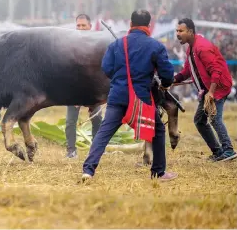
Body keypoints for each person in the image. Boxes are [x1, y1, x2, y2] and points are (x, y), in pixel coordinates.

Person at [82, 10, 177, 182]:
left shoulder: (117, 45)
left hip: (117, 95)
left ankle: (88, 170)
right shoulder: (155, 46)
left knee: (103, 133)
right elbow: (167, 74)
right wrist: (164, 82)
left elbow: (106, 68)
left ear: (131, 24)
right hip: (141, 98)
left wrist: (120, 79)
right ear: (148, 26)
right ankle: (158, 172)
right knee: (158, 130)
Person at [173, 18, 236, 162]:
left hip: (218, 87)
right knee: (199, 120)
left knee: (214, 117)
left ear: (190, 31)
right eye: (177, 30)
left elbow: (216, 70)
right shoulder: (190, 48)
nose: (177, 34)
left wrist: (212, 93)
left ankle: (228, 150)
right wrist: (173, 80)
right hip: (207, 89)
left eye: (181, 31)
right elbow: (187, 71)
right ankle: (218, 151)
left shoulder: (202, 47)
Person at [65, 14, 102, 159]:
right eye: (78, 26)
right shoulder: (70, 45)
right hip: (74, 88)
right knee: (70, 121)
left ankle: (97, 149)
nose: (80, 28)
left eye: (83, 25)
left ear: (90, 27)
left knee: (97, 118)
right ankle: (71, 150)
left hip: (93, 88)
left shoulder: (98, 43)